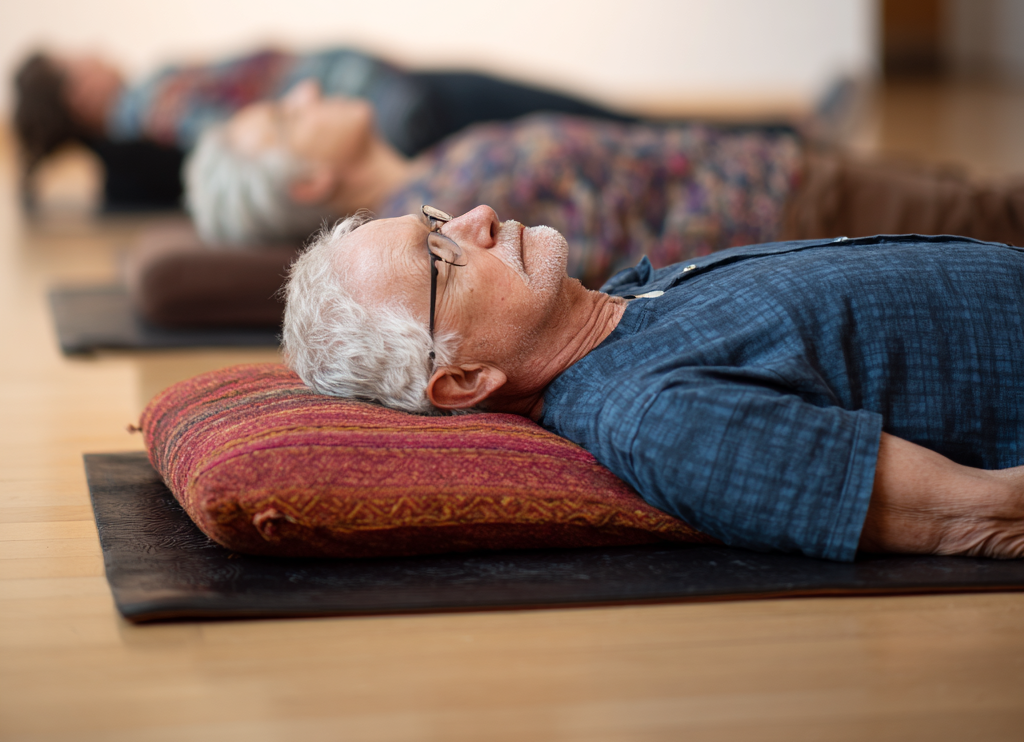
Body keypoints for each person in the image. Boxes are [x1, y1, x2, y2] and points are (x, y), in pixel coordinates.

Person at [281, 205, 1024, 562]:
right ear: (466, 379)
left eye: (437, 218)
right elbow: (984, 518)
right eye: (442, 255)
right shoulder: (656, 417)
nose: (479, 216)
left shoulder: (626, 302)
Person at [185, 74, 1024, 286]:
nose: (304, 93)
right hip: (787, 213)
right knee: (996, 214)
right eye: (286, 118)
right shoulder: (445, 214)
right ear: (308, 181)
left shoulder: (437, 163)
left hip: (778, 171)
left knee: (979, 197)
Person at [12, 45, 629, 209]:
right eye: (78, 60)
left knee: (601, 132)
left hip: (395, 97)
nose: (95, 51)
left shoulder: (152, 108)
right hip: (407, 106)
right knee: (605, 129)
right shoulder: (157, 111)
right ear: (78, 94)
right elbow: (248, 150)